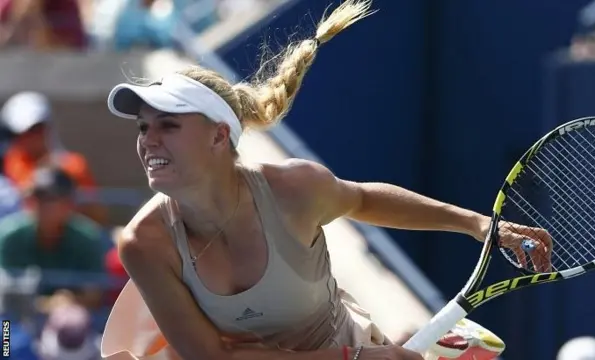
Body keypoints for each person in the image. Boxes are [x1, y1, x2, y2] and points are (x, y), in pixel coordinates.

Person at [101, 1, 552, 359]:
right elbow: (213, 356)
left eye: (168, 125)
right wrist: (351, 359)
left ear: (220, 135)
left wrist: (477, 225)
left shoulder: (293, 189)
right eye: (144, 127)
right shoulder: (145, 243)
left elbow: (363, 200)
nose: (149, 141)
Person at [0, 165, 106, 309]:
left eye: (49, 198)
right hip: (18, 315)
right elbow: (6, 292)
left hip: (71, 316)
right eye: (36, 197)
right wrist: (44, 304)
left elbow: (95, 294)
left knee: (74, 324)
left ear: (68, 204)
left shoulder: (87, 237)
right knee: (6, 328)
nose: (39, 204)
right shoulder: (10, 235)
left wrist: (68, 301)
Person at [0, 91, 107, 225]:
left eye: (37, 130)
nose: (31, 138)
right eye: (22, 133)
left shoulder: (73, 165)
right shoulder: (11, 162)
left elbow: (96, 213)